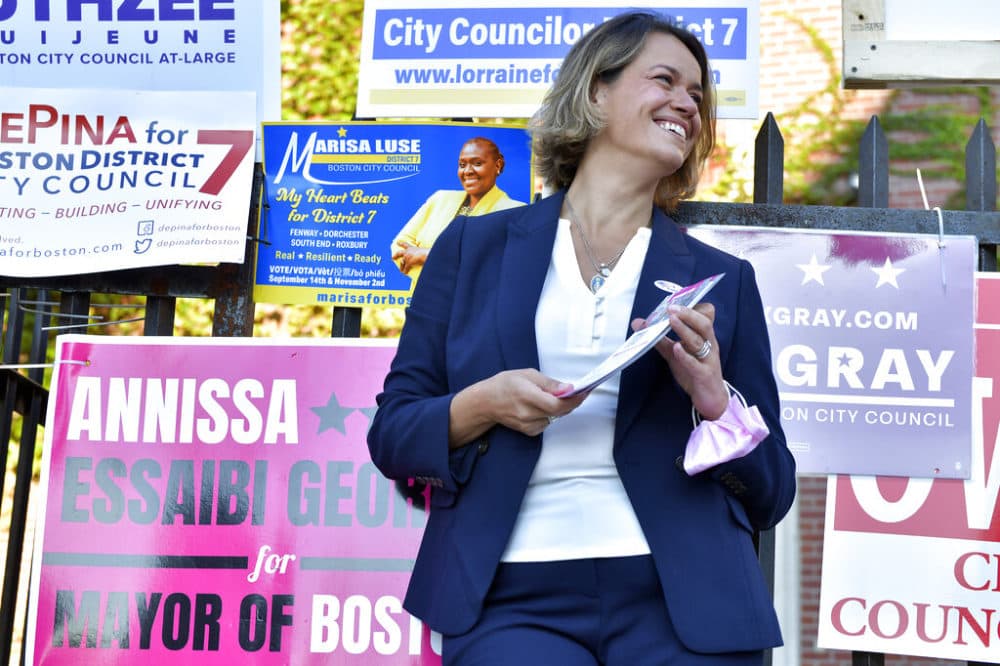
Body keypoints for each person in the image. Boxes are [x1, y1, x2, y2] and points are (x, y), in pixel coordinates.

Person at [368, 11, 796, 665]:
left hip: (685, 600)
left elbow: (772, 493)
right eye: (666, 80)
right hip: (506, 599)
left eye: (698, 95)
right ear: (597, 91)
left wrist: (714, 400)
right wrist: (482, 406)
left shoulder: (723, 282)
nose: (687, 101)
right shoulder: (469, 248)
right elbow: (393, 434)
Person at [390, 136, 525, 279]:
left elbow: (494, 266)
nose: (467, 171)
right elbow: (399, 246)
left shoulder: (516, 212)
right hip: (425, 299)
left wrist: (427, 256)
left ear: (497, 165)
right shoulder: (439, 199)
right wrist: (455, 267)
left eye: (477, 163)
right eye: (462, 165)